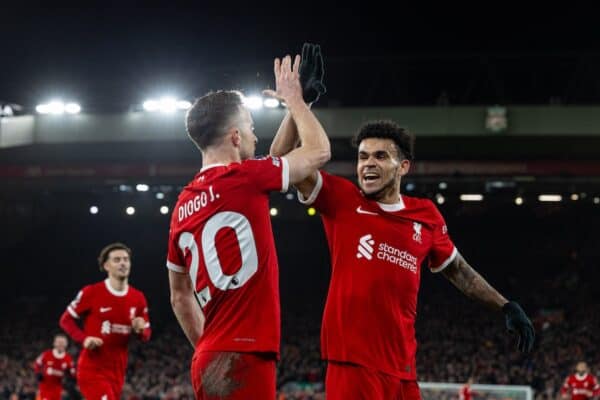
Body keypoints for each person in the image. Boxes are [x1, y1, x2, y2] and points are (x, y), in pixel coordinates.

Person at [270, 82, 535, 399]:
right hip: (352, 362)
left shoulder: (426, 215)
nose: (368, 163)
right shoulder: (342, 200)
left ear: (403, 166)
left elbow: (459, 271)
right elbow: (282, 160)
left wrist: (505, 305)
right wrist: (299, 104)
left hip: (402, 369)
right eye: (363, 156)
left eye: (380, 156)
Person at [166, 47, 330, 399]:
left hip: (210, 355)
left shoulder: (183, 204)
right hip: (245, 354)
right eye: (252, 129)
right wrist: (295, 102)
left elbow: (180, 298)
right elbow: (318, 152)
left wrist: (207, 345)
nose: (256, 137)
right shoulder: (246, 178)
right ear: (236, 138)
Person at [59, 242, 151, 400]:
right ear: (106, 265)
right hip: (92, 369)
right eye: (117, 260)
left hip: (118, 371)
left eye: (126, 259)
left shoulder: (138, 298)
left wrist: (141, 330)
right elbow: (65, 320)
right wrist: (84, 339)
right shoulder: (92, 292)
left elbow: (146, 335)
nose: (123, 263)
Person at [33, 334, 75, 400]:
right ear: (54, 343)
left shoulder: (68, 359)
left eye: (63, 343)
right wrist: (38, 373)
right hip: (45, 387)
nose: (60, 344)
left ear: (66, 344)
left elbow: (73, 373)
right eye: (58, 342)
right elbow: (37, 363)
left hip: (57, 389)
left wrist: (69, 378)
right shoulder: (46, 354)